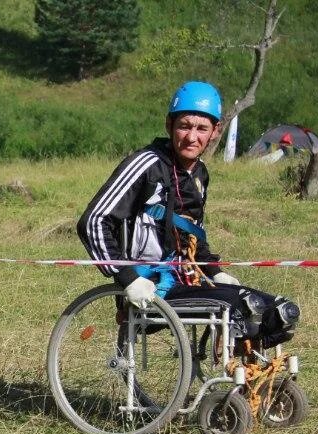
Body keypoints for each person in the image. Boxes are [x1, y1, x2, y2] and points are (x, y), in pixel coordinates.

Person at [78, 81, 300, 348]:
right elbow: (92, 222)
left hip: (189, 279)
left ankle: (246, 384)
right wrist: (127, 279)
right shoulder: (145, 165)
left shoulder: (199, 174)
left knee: (279, 312)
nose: (192, 137)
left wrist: (215, 271)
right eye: (184, 126)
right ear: (169, 126)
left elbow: (193, 235)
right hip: (151, 287)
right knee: (246, 307)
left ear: (215, 132)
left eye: (201, 128)